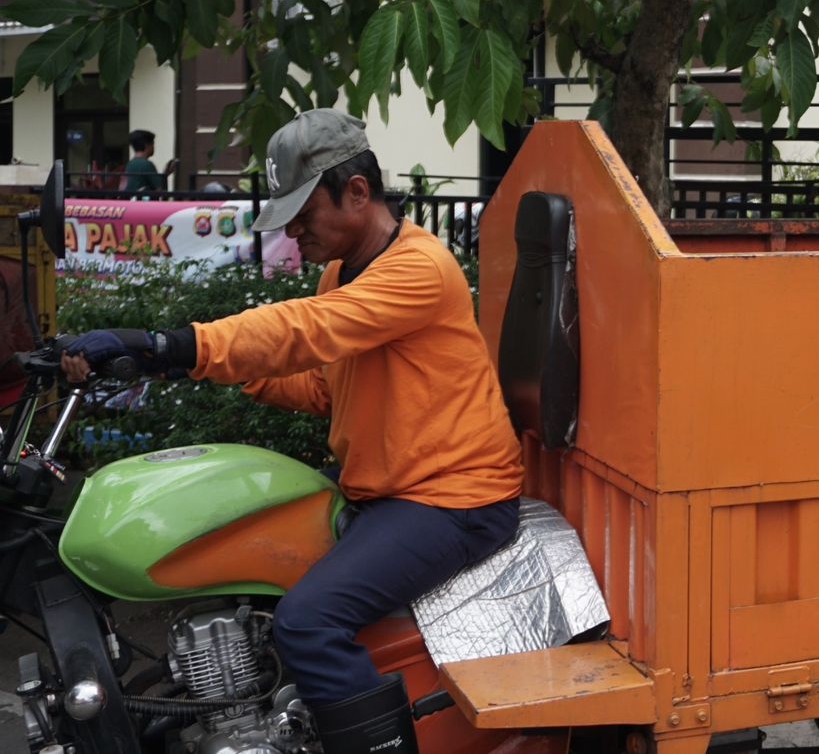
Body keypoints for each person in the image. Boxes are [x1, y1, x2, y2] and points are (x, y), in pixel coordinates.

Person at [65, 109, 524, 754]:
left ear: (357, 193)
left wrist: (173, 345)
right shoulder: (345, 269)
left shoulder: (421, 269)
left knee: (308, 623)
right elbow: (321, 385)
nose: (295, 232)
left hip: (453, 498)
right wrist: (199, 368)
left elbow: (302, 331)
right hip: (386, 486)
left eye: (304, 214)